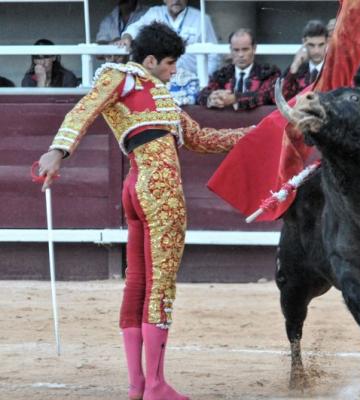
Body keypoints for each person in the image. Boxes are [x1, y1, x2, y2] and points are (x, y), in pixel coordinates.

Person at [37, 22, 249, 400]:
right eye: (169, 63)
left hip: (135, 188)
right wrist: (59, 151)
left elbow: (202, 138)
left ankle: (138, 385)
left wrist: (258, 133)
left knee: (138, 284)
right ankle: (155, 384)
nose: (173, 71)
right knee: (159, 285)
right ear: (149, 60)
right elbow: (84, 109)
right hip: (160, 189)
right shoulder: (123, 77)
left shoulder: (159, 96)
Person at [118, 0, 220, 75]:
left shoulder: (201, 18)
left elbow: (214, 55)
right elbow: (135, 28)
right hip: (160, 78)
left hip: (190, 80)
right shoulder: (155, 13)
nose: (176, 0)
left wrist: (204, 79)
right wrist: (127, 37)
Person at [197, 28, 281, 110]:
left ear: (254, 49)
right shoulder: (221, 75)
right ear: (230, 50)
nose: (241, 55)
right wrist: (211, 98)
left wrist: (235, 99)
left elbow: (268, 95)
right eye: (236, 50)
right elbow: (202, 94)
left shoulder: (268, 73)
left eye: (245, 49)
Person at [282, 20, 328, 99]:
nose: (316, 51)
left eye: (321, 45)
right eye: (311, 45)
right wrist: (295, 65)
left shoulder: (335, 71)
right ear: (304, 43)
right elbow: (284, 98)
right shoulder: (296, 70)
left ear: (327, 43)